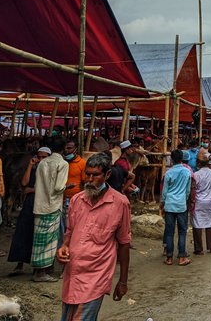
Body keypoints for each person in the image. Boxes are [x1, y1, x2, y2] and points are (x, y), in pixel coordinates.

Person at [57, 153, 131, 321]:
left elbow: (124, 243)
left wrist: (123, 281)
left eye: (95, 175)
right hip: (73, 270)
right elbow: (70, 232)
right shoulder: (77, 200)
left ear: (107, 175)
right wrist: (64, 247)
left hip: (97, 274)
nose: (89, 179)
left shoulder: (120, 203)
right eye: (87, 174)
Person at [32, 136, 69, 282]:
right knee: (48, 241)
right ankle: (41, 273)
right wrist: (68, 187)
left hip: (39, 205)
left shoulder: (43, 163)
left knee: (39, 240)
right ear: (64, 148)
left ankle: (41, 270)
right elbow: (59, 187)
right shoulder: (63, 164)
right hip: (52, 205)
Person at [8, 146, 50, 276]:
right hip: (30, 203)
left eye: (44, 157)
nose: (41, 159)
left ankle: (38, 266)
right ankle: (19, 263)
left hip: (42, 203)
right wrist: (30, 166)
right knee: (23, 231)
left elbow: (49, 188)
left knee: (39, 235)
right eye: (39, 157)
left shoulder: (50, 170)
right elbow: (24, 183)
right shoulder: (34, 168)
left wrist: (33, 190)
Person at [160, 149, 193, 266]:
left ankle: (169, 257)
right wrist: (185, 199)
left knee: (169, 232)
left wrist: (162, 203)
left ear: (172, 159)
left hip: (169, 204)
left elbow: (164, 191)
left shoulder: (168, 173)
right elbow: (188, 190)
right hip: (181, 204)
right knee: (182, 231)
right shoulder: (187, 172)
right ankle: (181, 257)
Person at [191, 150, 211, 254]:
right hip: (210, 200)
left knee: (197, 224)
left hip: (199, 201)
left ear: (198, 164)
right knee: (210, 223)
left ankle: (198, 249)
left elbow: (193, 189)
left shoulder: (196, 175)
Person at [61, 139, 87, 238]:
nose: (66, 150)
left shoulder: (82, 163)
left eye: (69, 148)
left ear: (75, 149)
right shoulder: (61, 162)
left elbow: (84, 182)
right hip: (60, 198)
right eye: (65, 148)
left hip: (74, 199)